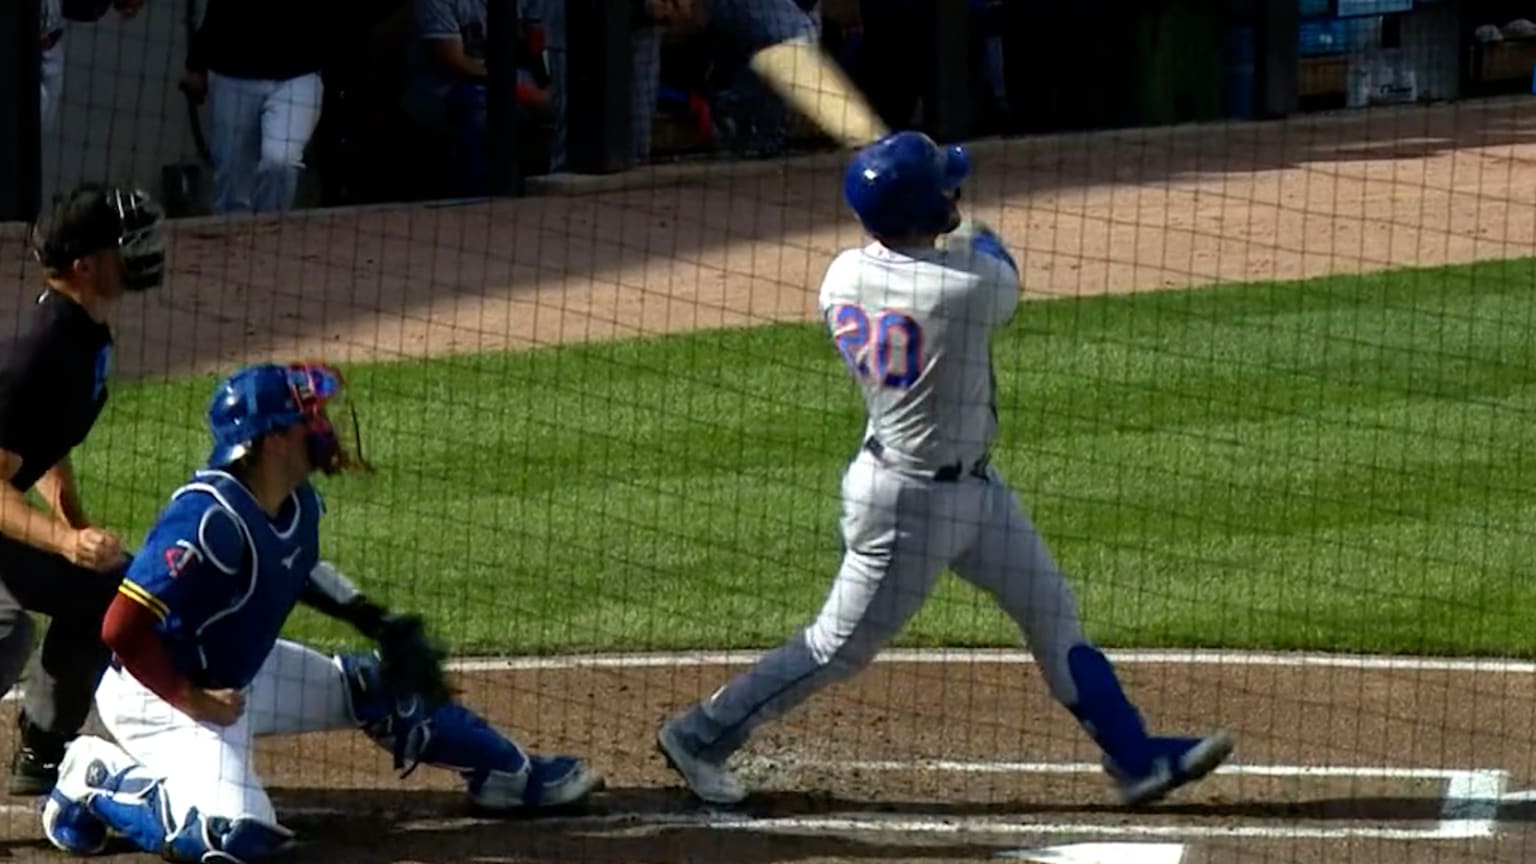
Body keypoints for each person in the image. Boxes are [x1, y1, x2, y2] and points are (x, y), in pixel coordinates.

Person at [655, 131, 1235, 807]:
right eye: (946, 185)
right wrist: (966, 224)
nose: (957, 189)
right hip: (912, 510)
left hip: (970, 492)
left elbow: (938, 249)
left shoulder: (843, 273)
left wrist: (931, 205)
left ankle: (1136, 757)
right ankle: (701, 735)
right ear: (925, 209)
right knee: (835, 648)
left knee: (1051, 612)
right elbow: (996, 259)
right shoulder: (966, 291)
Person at [40, 362, 604, 862]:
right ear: (274, 438)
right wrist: (193, 699)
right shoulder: (206, 520)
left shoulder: (295, 498)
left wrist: (370, 618)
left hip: (244, 677)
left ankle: (510, 778)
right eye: (306, 416)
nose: (322, 426)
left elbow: (295, 563)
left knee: (381, 686)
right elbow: (120, 626)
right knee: (232, 837)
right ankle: (92, 778)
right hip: (165, 699)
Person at [0, 183, 165, 797]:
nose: (142, 251)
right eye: (126, 244)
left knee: (104, 590)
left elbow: (44, 440)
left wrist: (71, 520)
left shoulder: (83, 333)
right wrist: (64, 545)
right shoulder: (43, 350)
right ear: (86, 265)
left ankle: (43, 750)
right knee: (6, 629)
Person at [179, 0, 330, 213]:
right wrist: (196, 65)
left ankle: (270, 232)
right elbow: (218, 11)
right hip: (234, 73)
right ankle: (233, 240)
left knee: (281, 162)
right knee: (233, 184)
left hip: (298, 74)